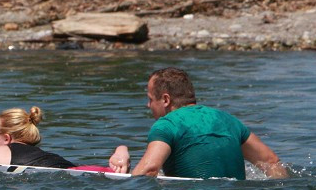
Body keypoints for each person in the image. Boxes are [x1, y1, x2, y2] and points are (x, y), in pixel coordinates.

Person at [108, 68, 287, 179]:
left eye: (150, 99)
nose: (148, 105)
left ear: (165, 99)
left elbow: (149, 170)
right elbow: (271, 162)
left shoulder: (166, 125)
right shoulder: (228, 120)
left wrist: (123, 188)